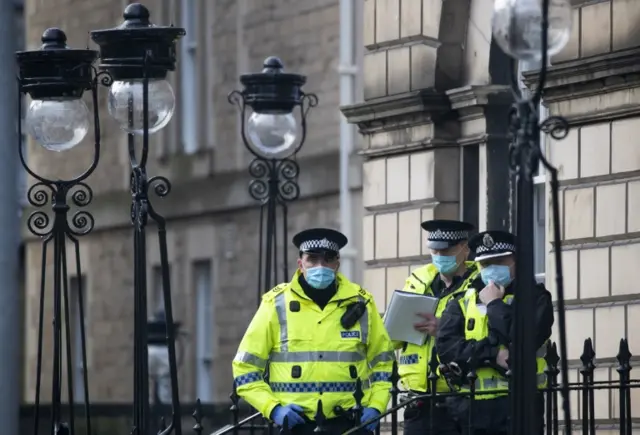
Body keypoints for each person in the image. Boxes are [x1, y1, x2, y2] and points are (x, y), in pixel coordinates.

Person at [232, 228, 395, 434]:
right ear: (301, 264)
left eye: (328, 259)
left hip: (352, 422)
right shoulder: (276, 303)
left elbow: (384, 362)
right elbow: (245, 368)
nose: (321, 266)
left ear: (337, 263)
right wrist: (273, 409)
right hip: (296, 424)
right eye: (312, 259)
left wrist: (376, 405)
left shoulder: (362, 302)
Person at [436, 230, 554, 435]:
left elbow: (524, 339)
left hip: (519, 403)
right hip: (471, 409)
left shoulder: (535, 297)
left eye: (499, 261)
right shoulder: (462, 300)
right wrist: (492, 354)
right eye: (485, 264)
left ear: (515, 261)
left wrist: (494, 304)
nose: (491, 270)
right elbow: (447, 348)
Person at [393, 219, 480, 435]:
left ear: (464, 249)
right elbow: (391, 338)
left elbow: (485, 333)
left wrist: (443, 330)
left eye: (447, 250)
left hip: (461, 395)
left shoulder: (478, 284)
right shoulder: (417, 281)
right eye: (435, 250)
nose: (440, 256)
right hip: (419, 398)